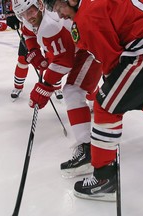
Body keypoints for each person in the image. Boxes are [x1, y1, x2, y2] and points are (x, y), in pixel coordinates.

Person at [43, 0, 143, 201]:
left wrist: (109, 92)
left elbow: (112, 62)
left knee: (105, 107)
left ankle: (105, 180)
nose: (59, 15)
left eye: (59, 7)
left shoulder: (87, 15)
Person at [12, 0, 102, 177]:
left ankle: (89, 150)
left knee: (73, 91)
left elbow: (64, 62)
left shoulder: (49, 25)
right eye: (23, 14)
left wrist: (44, 87)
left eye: (31, 11)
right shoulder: (31, 20)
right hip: (78, 47)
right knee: (79, 89)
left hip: (90, 48)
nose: (29, 17)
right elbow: (28, 33)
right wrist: (34, 52)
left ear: (39, 6)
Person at [6, 9, 64, 101]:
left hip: (48, 26)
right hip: (29, 28)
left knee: (53, 60)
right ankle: (18, 87)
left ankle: (57, 87)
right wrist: (12, 13)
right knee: (23, 60)